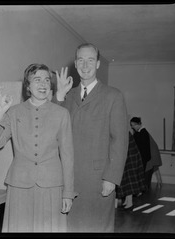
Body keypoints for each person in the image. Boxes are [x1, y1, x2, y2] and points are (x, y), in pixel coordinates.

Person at [0, 63, 78, 232]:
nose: (43, 84)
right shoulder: (13, 112)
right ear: (27, 86)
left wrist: (68, 193)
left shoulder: (61, 113)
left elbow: (67, 155)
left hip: (52, 186)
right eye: (37, 80)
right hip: (20, 184)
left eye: (46, 80)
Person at [54, 43, 128, 232]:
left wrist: (111, 177)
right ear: (76, 64)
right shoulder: (67, 95)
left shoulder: (113, 96)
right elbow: (53, 129)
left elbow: (119, 140)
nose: (85, 65)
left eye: (90, 60)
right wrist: (59, 96)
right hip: (66, 178)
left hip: (97, 179)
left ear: (97, 64)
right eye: (81, 60)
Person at [116, 132, 147, 210]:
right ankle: (127, 201)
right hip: (130, 155)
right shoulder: (126, 131)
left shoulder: (124, 132)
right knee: (128, 180)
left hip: (130, 157)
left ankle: (130, 203)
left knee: (128, 180)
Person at [130, 117, 162, 191]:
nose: (132, 127)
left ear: (138, 124)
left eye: (133, 125)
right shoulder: (140, 133)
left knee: (145, 177)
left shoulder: (143, 133)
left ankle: (143, 190)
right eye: (131, 125)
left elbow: (143, 149)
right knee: (145, 177)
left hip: (145, 159)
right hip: (145, 158)